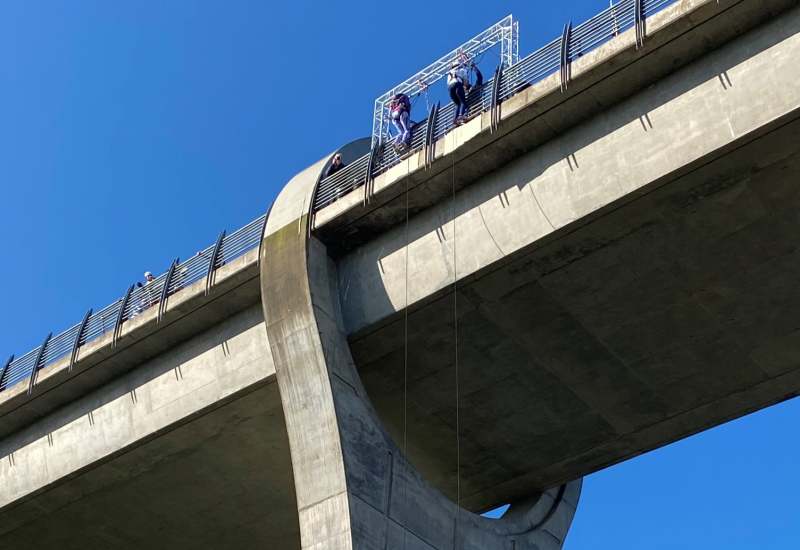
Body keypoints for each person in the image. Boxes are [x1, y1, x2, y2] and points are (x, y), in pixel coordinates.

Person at [447, 60, 471, 125]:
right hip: (457, 85)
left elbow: (448, 83)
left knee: (457, 104)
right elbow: (466, 82)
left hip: (450, 88)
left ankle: (455, 119)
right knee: (463, 102)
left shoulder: (450, 73)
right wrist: (467, 86)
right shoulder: (462, 70)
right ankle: (461, 116)